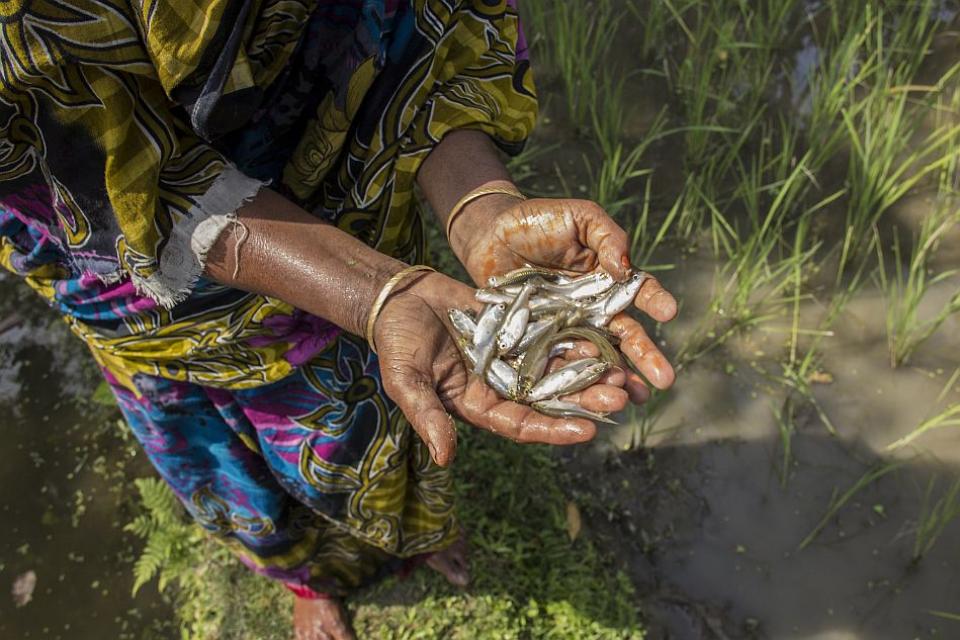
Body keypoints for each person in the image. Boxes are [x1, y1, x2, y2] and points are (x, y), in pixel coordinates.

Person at [0, 1, 677, 637]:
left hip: (346, 205)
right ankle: (303, 577)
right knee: (205, 437)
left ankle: (401, 543)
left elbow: (421, 21)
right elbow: (108, 174)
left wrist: (478, 204)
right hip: (120, 269)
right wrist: (375, 294)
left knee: (358, 421)